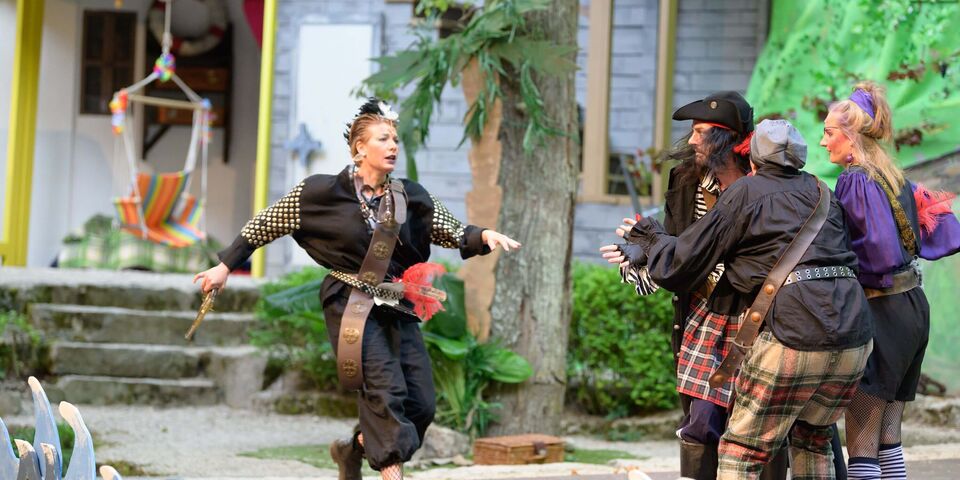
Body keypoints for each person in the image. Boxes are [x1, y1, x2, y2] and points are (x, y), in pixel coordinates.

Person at [193, 99, 520, 480]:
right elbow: (264, 224)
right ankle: (391, 474)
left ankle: (353, 449)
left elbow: (449, 229)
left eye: (395, 139)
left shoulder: (409, 196)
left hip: (395, 301)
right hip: (349, 302)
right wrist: (224, 266)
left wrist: (484, 235)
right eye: (383, 139)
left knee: (421, 404)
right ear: (360, 147)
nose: (393, 145)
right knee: (384, 389)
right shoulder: (319, 192)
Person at [623, 119, 873, 479]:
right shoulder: (822, 192)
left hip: (794, 333)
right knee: (812, 441)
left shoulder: (746, 191)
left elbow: (683, 263)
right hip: (854, 335)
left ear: (753, 159)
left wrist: (650, 236)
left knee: (741, 451)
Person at [602, 92, 794, 480]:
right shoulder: (687, 179)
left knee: (762, 424)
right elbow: (677, 241)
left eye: (701, 132)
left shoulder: (764, 181)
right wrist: (642, 252)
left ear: (728, 138)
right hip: (708, 312)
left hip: (761, 314)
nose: (691, 141)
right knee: (702, 420)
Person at [821, 81, 960, 480]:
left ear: (850, 136)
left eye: (829, 133)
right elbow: (944, 231)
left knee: (863, 443)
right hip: (912, 308)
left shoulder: (855, 179)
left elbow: (878, 251)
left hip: (879, 310)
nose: (824, 141)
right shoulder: (893, 175)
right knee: (889, 438)